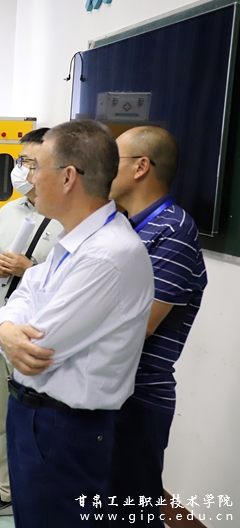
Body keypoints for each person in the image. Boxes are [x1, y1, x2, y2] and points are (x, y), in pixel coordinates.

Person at [0, 119, 155, 527]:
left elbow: (39, 344)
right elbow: (24, 293)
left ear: (68, 177)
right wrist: (6, 329)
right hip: (34, 416)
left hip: (65, 427)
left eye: (36, 168)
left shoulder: (107, 254)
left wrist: (10, 330)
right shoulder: (74, 240)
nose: (30, 179)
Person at [93, 126, 207, 527]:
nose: (104, 170)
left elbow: (137, 326)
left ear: (141, 167)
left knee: (131, 512)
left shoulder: (174, 231)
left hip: (138, 397)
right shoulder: (127, 226)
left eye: (113, 161)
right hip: (110, 390)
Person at [0, 127, 64, 523]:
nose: (21, 169)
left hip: (42, 337)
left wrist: (30, 268)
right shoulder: (9, 211)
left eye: (30, 162)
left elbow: (77, 281)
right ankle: (4, 489)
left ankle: (45, 492)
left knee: (45, 422)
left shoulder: (71, 218)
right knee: (1, 418)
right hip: (0, 329)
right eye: (20, 161)